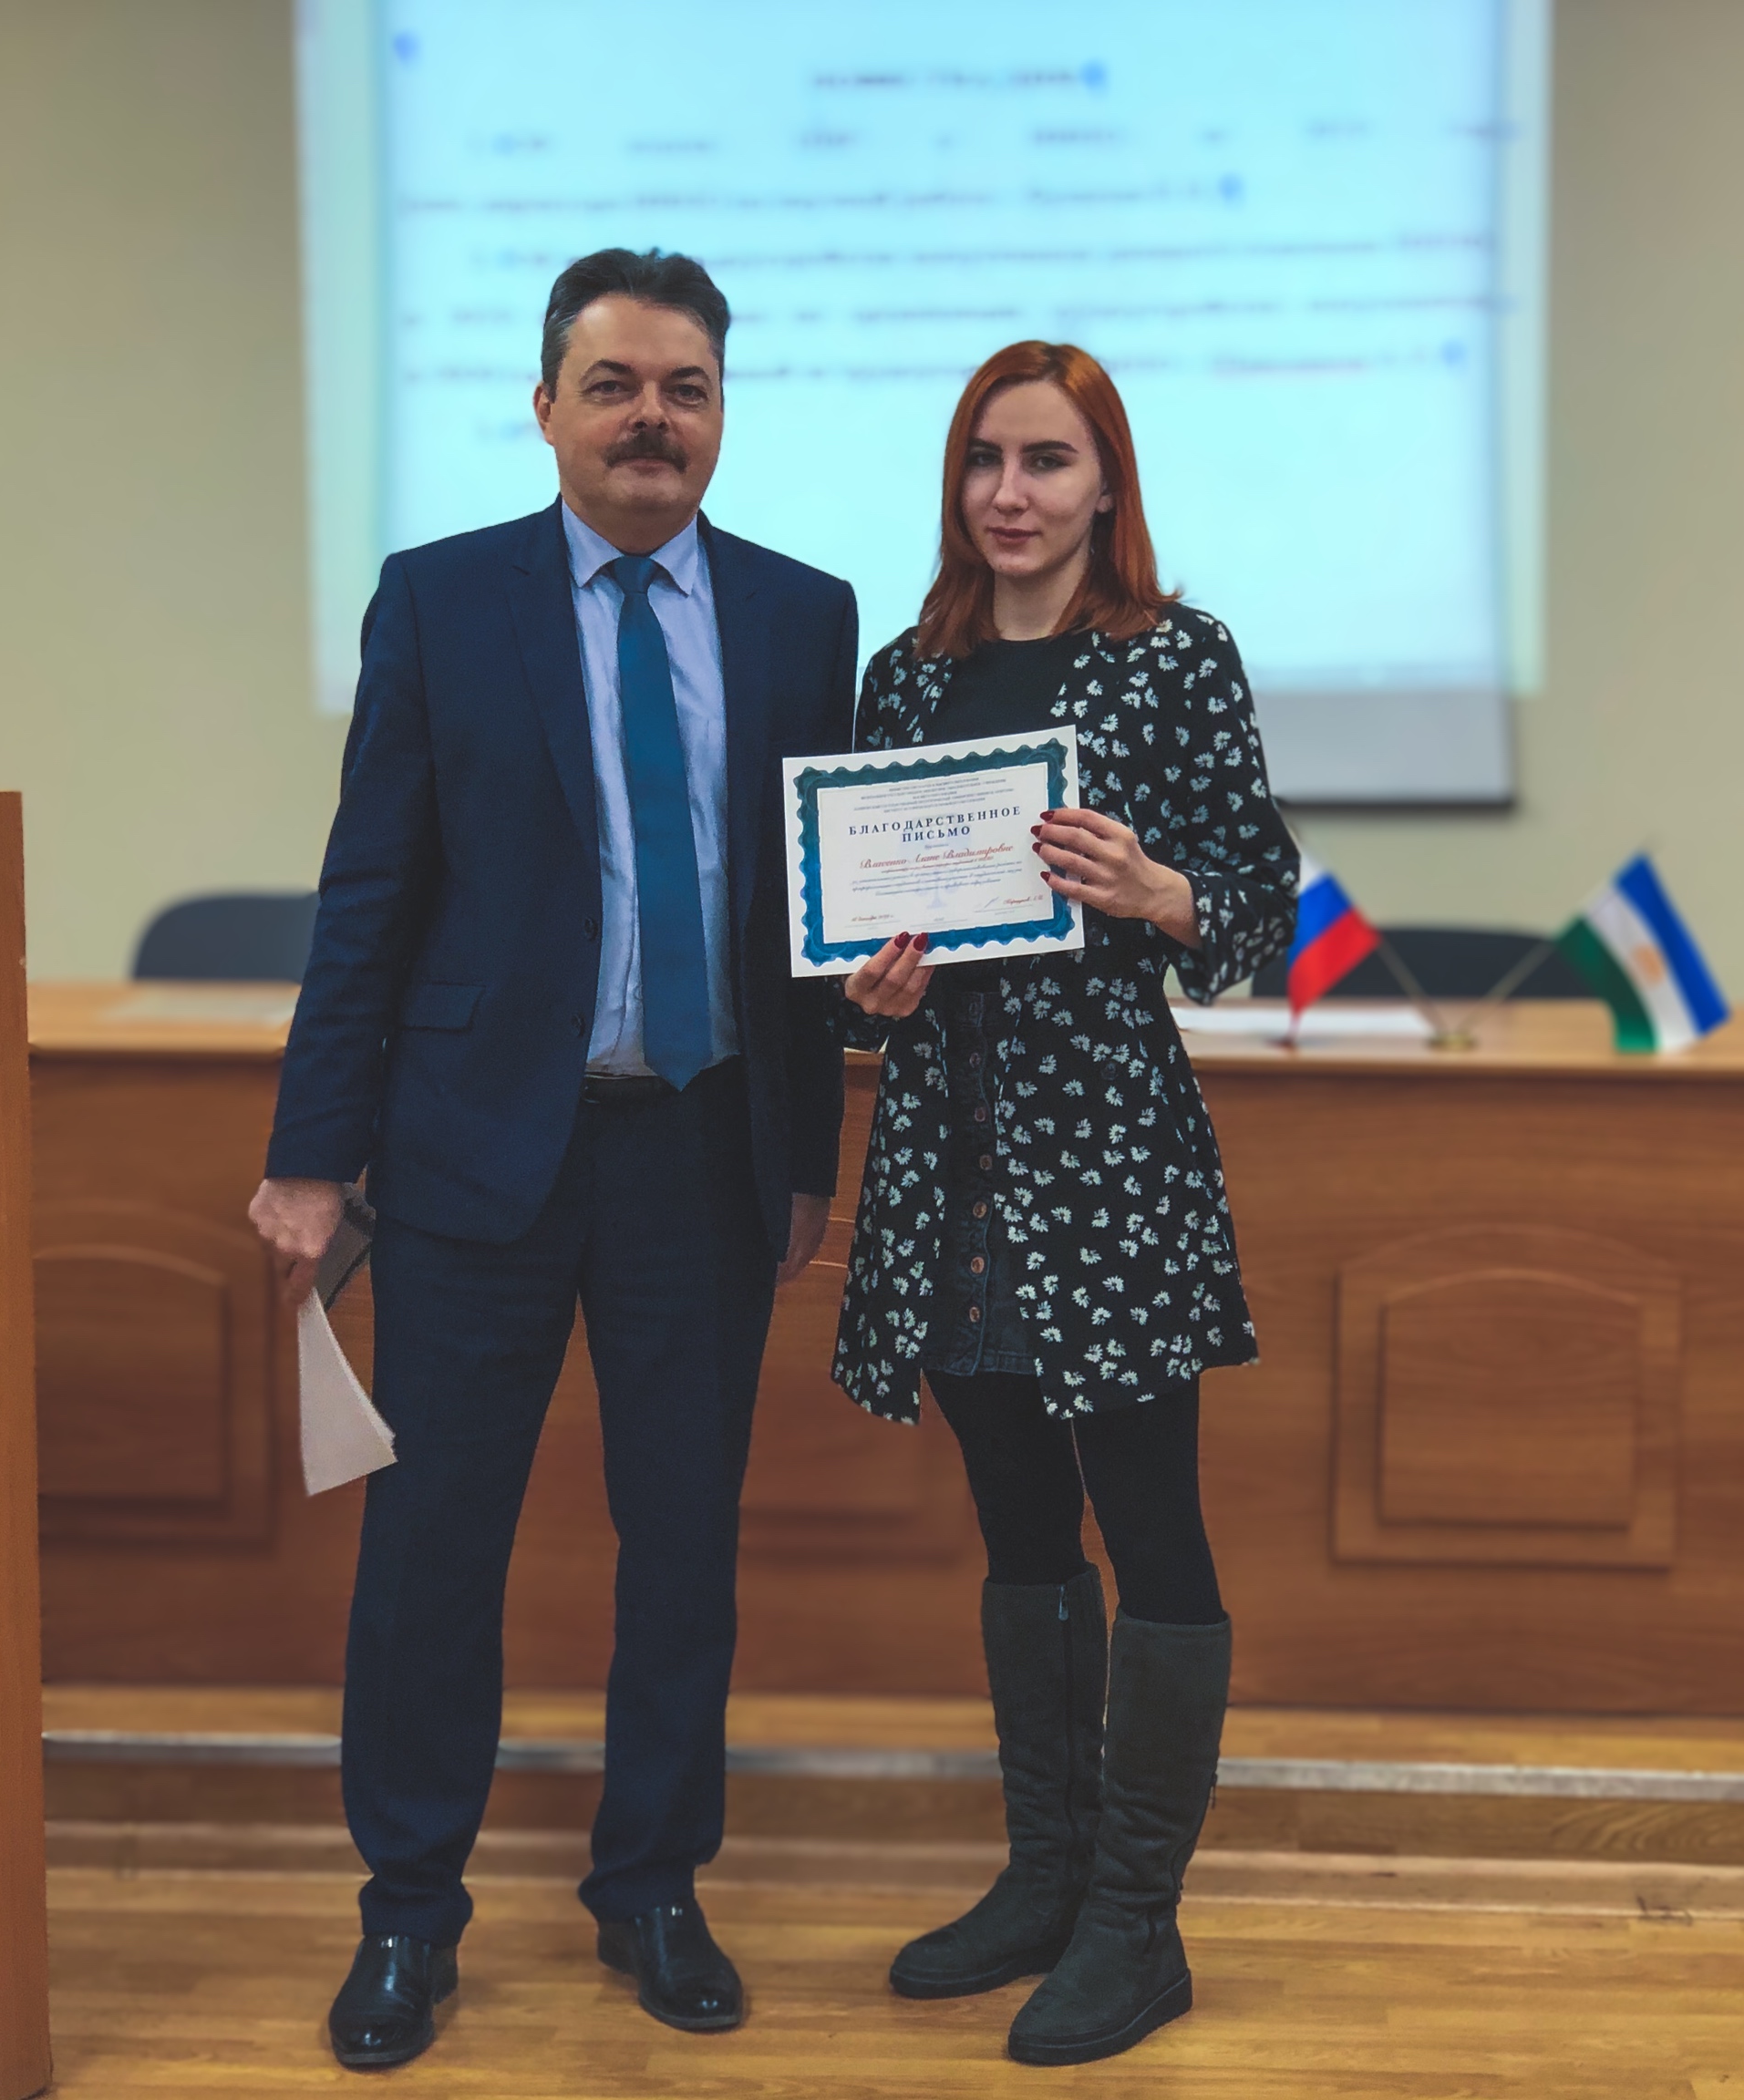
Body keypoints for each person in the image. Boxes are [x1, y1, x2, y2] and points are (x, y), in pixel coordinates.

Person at [247, 248, 856, 2072]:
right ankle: (407, 1913)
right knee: (433, 1552)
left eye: (686, 388)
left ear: (722, 414)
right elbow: (369, 892)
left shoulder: (801, 615)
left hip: (704, 1154)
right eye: (615, 385)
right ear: (546, 408)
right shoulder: (442, 602)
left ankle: (653, 1886)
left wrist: (808, 1152)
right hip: (473, 1160)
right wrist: (311, 1152)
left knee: (683, 1550)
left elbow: (802, 918)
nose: (651, 418)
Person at [833, 342, 1297, 2066]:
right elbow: (850, 944)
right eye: (984, 460)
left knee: (1151, 1525)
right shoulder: (906, 677)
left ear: (1107, 484)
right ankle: (1046, 1876)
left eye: (1046, 460)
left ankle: (1136, 1922)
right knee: (1020, 1532)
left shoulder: (1174, 658)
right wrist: (860, 995)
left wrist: (1163, 889)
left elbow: (1262, 906)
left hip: (1107, 1162)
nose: (1010, 493)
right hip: (946, 1163)